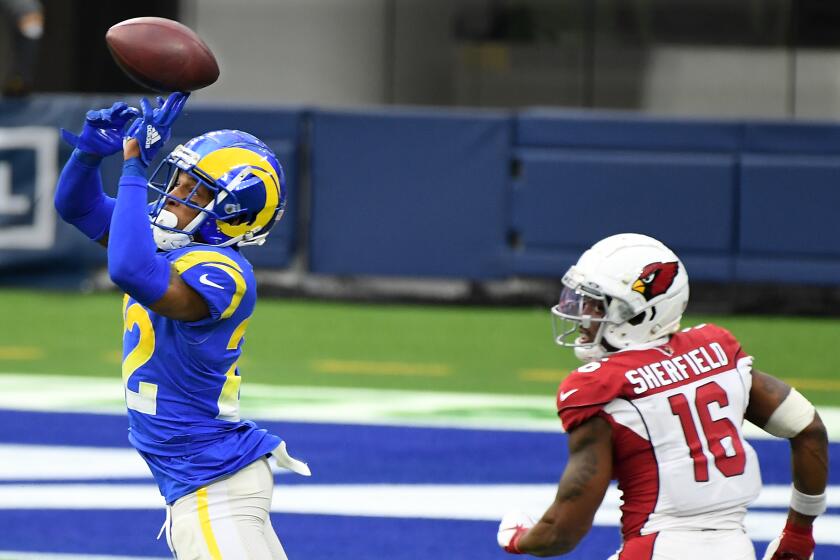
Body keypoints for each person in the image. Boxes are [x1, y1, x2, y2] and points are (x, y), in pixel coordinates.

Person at [54, 93, 310, 559]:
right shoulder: (163, 240)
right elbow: (78, 207)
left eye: (198, 191)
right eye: (180, 179)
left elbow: (130, 270)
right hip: (201, 480)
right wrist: (90, 153)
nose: (176, 193)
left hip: (214, 486)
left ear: (235, 214)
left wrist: (133, 168)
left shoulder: (225, 271)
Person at [497, 233, 828, 560]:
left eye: (598, 305)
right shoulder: (718, 352)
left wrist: (519, 539)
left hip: (656, 548)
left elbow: (562, 532)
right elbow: (807, 427)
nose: (583, 315)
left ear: (642, 313)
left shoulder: (600, 386)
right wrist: (798, 533)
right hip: (735, 548)